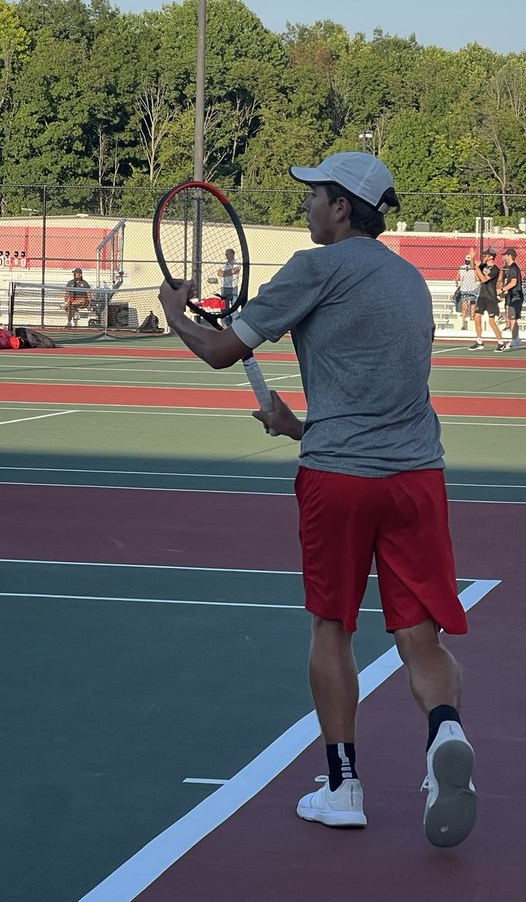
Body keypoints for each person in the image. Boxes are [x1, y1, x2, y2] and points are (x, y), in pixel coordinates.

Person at [158, 152, 476, 848]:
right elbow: (379, 397)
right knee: (419, 635)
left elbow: (219, 350)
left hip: (338, 480)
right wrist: (297, 424)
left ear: (341, 207)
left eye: (314, 195)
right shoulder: (411, 281)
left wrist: (175, 315)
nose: (304, 205)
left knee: (331, 627)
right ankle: (445, 732)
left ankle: (343, 786)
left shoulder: (314, 268)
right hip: (417, 478)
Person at [470, 249, 506, 351]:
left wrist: (477, 268)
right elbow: (473, 266)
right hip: (482, 297)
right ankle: (479, 342)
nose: (484, 256)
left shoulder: (495, 269)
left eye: (486, 255)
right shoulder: (484, 266)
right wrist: (472, 258)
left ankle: (501, 343)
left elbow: (484, 279)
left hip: (491, 298)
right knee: (477, 318)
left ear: (491, 257)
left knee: (491, 322)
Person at [500, 247, 523, 350]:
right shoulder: (512, 268)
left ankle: (514, 340)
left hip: (515, 296)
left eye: (506, 255)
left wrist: (502, 289)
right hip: (513, 296)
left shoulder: (513, 268)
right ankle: (516, 338)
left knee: (512, 319)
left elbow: (513, 282)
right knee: (514, 319)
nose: (504, 257)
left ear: (510, 256)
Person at [453, 254, 478, 331]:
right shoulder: (473, 268)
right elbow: (476, 277)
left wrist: (457, 283)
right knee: (471, 304)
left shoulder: (464, 267)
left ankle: (465, 321)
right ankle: (470, 319)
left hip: (467, 288)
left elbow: (457, 277)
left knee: (466, 305)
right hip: (471, 288)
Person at [220, 248, 241, 325]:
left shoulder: (237, 263)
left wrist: (225, 272)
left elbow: (235, 271)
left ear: (232, 254)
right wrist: (229, 272)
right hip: (224, 287)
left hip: (233, 287)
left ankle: (235, 322)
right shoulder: (224, 264)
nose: (226, 256)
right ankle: (226, 323)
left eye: (227, 254)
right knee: (225, 306)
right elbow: (220, 273)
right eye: (226, 254)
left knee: (234, 305)